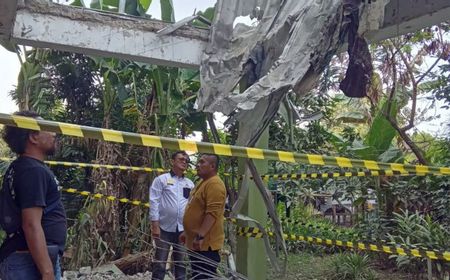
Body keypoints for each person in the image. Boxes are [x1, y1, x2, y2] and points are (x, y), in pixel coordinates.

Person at [0, 111, 67, 280]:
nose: (54, 133)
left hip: (27, 259)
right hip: (29, 263)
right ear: (33, 137)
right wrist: (47, 271)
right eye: (47, 128)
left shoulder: (23, 167)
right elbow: (30, 224)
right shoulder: (33, 170)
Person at [149, 151, 194, 280]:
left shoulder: (190, 184)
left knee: (181, 263)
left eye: (186, 160)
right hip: (164, 228)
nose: (184, 161)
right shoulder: (161, 180)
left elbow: (191, 206)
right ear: (172, 161)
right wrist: (155, 226)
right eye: (181, 159)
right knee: (160, 263)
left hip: (182, 230)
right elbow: (154, 202)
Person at [181, 154, 226, 279]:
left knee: (203, 276)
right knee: (197, 275)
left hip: (206, 245)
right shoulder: (203, 182)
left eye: (202, 162)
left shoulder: (215, 184)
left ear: (212, 166)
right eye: (198, 162)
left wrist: (200, 236)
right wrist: (187, 233)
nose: (198, 165)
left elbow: (211, 214)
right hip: (196, 243)